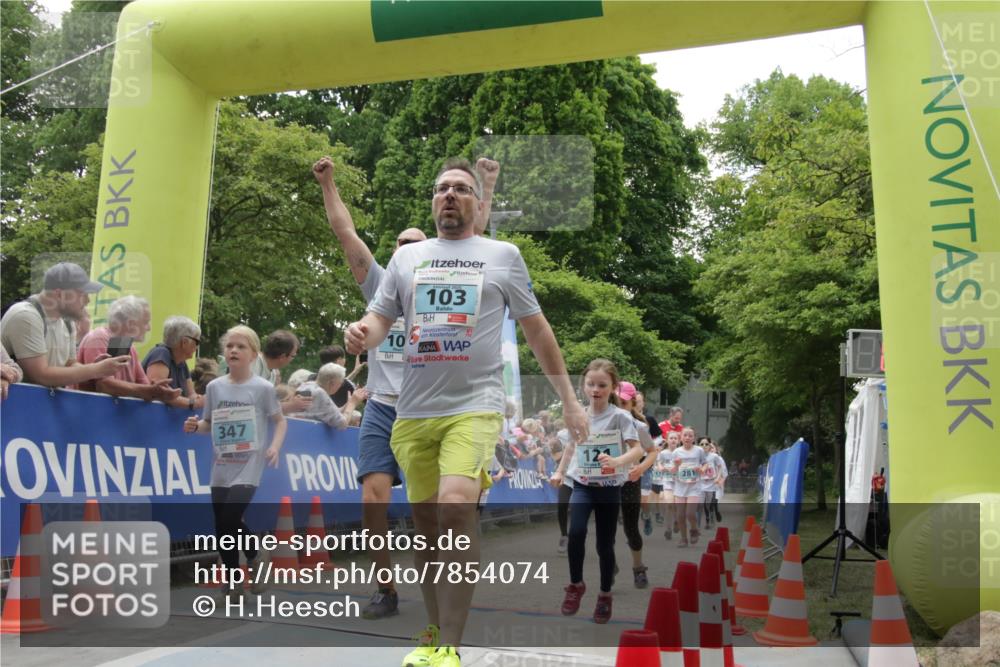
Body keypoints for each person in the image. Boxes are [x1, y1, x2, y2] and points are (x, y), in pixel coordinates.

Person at [345, 157, 588, 667]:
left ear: (478, 203)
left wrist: (568, 399)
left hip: (474, 407)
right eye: (442, 189)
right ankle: (432, 634)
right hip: (412, 413)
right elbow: (379, 318)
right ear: (433, 201)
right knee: (429, 527)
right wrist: (360, 333)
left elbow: (538, 330)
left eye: (461, 188)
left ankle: (452, 645)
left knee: (457, 506)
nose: (450, 195)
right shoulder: (409, 261)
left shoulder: (502, 255)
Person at [315, 154, 428, 621]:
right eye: (399, 243)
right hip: (382, 407)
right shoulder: (381, 285)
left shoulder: (446, 290)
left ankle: (443, 588)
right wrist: (328, 184)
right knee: (372, 500)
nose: (404, 248)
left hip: (428, 411)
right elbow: (347, 235)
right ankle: (386, 588)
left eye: (414, 244)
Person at [183, 325, 287, 601]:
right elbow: (208, 423)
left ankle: (254, 557)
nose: (233, 350)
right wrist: (196, 426)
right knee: (221, 524)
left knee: (231, 517)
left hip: (249, 463)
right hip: (222, 463)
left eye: (240, 346)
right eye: (229, 346)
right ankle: (233, 580)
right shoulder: (215, 387)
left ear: (254, 354)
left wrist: (274, 447)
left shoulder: (263, 388)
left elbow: (279, 421)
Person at [549, 359, 643, 624]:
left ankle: (604, 594)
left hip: (609, 488)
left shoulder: (620, 417)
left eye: (602, 385)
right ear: (583, 386)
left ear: (613, 387)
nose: (596, 389)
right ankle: (576, 585)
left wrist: (617, 462)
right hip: (582, 484)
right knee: (575, 532)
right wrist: (559, 471)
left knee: (605, 544)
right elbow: (571, 446)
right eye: (590, 384)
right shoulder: (578, 414)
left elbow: (637, 449)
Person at [1, 262, 128, 387]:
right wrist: (95, 370)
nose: (88, 300)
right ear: (59, 293)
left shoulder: (67, 322)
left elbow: (70, 364)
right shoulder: (25, 316)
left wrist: (92, 369)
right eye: (82, 294)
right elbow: (41, 376)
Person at [77, 295, 181, 403]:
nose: (149, 328)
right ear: (131, 324)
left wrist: (157, 390)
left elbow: (143, 385)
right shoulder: (98, 338)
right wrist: (150, 391)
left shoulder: (128, 347)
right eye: (145, 322)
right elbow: (105, 385)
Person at [615, 381, 657, 589]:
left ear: (632, 403)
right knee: (606, 528)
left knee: (631, 528)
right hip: (605, 482)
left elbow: (652, 452)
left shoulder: (639, 426)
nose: (618, 406)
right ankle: (609, 562)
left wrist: (640, 469)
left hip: (629, 481)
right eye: (614, 401)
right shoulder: (602, 422)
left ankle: (638, 567)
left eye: (622, 403)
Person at [141, 315, 205, 410]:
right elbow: (157, 393)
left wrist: (202, 399)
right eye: (197, 342)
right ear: (184, 342)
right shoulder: (161, 353)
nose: (197, 347)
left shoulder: (181, 362)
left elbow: (191, 394)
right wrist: (191, 403)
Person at [289, 363, 368, 428]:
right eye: (340, 383)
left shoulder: (306, 385)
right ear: (332, 383)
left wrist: (348, 403)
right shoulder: (320, 393)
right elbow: (342, 424)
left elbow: (331, 412)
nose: (340, 386)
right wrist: (352, 404)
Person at [671, 427, 708, 547]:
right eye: (685, 435)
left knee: (690, 514)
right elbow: (672, 471)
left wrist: (701, 469)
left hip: (694, 486)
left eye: (690, 436)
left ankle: (694, 530)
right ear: (681, 438)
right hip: (680, 486)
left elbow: (705, 463)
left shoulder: (699, 451)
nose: (687, 438)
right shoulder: (676, 452)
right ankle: (683, 539)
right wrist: (676, 466)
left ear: (694, 438)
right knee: (680, 515)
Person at [701, 440, 727, 528]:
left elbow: (724, 472)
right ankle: (709, 518)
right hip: (706, 483)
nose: (710, 449)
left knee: (713, 501)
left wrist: (720, 481)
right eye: (709, 447)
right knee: (707, 501)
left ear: (715, 449)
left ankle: (715, 512)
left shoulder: (719, 459)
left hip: (717, 483)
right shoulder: (703, 458)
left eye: (712, 447)